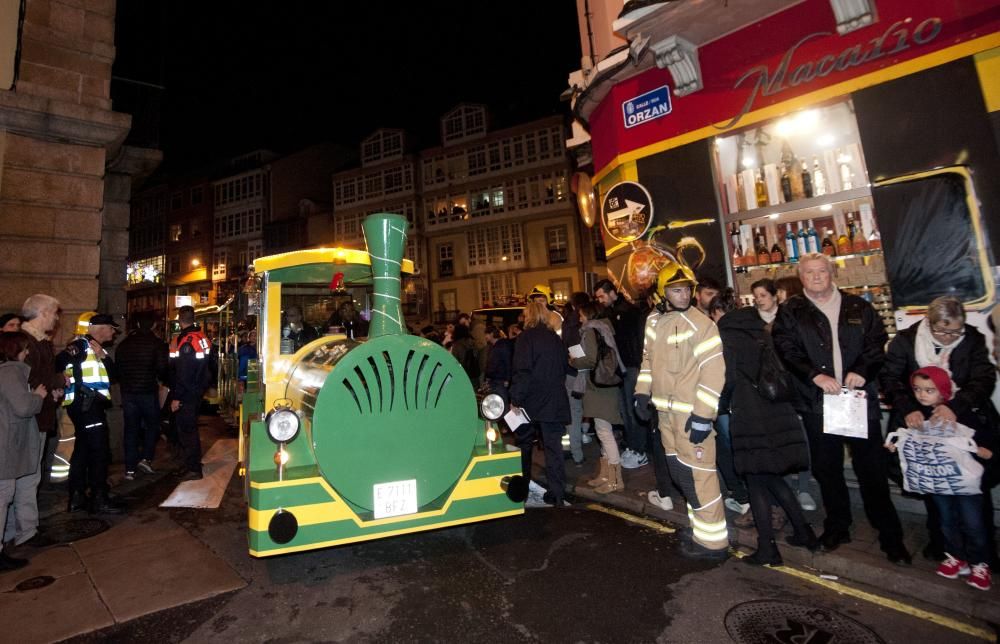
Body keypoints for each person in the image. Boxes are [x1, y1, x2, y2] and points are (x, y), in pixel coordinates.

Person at [772, 253, 909, 564]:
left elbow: (877, 343)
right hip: (817, 402)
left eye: (822, 271)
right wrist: (814, 374)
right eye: (810, 272)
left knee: (871, 470)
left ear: (832, 274)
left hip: (858, 401)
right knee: (827, 469)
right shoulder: (792, 310)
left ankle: (891, 535)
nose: (817, 277)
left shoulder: (858, 307)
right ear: (801, 277)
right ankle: (838, 526)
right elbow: (785, 348)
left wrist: (862, 368)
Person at [881, 295, 999, 564]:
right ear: (928, 322)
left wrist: (955, 405)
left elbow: (984, 378)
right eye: (941, 331)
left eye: (954, 331)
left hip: (965, 421)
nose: (948, 337)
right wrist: (907, 407)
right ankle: (945, 548)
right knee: (934, 484)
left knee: (973, 485)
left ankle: (983, 554)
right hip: (920, 423)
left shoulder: (972, 338)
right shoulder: (906, 341)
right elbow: (890, 378)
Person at [635, 261, 728, 559]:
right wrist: (641, 393)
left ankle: (713, 543)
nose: (684, 295)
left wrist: (703, 415)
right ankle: (699, 529)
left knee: (700, 476)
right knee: (681, 474)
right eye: (676, 290)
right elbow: (647, 361)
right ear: (663, 292)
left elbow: (714, 372)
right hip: (665, 417)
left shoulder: (702, 324)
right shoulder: (653, 322)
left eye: (687, 289)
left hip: (691, 418)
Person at [718, 303, 818, 566]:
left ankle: (767, 548)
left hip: (750, 416)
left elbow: (726, 380)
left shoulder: (728, 338)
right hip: (777, 412)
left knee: (755, 481)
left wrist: (718, 407)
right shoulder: (763, 334)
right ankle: (804, 532)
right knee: (772, 477)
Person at [886, 366, 995, 590]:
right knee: (946, 520)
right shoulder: (917, 415)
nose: (922, 395)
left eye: (929, 390)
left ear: (943, 391)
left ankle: (980, 563)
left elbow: (983, 437)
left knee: (973, 523)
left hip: (964, 482)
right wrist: (895, 446)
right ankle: (957, 557)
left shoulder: (960, 413)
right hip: (938, 481)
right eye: (917, 389)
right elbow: (906, 437)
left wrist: (985, 451)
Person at [5, 295, 64, 548]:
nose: (56, 318)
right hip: (28, 421)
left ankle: (22, 530)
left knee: (26, 477)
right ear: (41, 313)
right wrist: (57, 383)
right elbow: (23, 385)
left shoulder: (39, 342)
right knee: (25, 477)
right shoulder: (25, 344)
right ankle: (24, 532)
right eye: (53, 313)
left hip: (37, 417)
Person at [754, 278, 817, 512]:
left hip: (794, 388)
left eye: (763, 295)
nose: (759, 300)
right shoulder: (753, 323)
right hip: (770, 390)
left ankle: (803, 487)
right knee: (780, 440)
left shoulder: (790, 320)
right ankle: (788, 486)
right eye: (756, 296)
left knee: (801, 439)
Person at [57, 313, 124, 515]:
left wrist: (103, 357)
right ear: (99, 327)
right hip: (87, 407)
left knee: (83, 450)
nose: (113, 332)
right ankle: (99, 498)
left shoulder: (95, 348)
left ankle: (77, 497)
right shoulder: (81, 345)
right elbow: (59, 361)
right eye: (111, 328)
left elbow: (113, 376)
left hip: (87, 407)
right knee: (99, 452)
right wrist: (60, 378)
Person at [510, 300, 570, 507]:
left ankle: (522, 490)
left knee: (524, 446)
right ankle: (557, 493)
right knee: (554, 449)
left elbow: (522, 371)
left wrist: (515, 399)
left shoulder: (525, 339)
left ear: (528, 316)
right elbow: (564, 366)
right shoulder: (554, 338)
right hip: (554, 401)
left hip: (531, 401)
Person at [0, 332, 47, 571]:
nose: (28, 353)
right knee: (3, 495)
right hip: (5, 446)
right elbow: (22, 406)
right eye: (25, 348)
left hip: (7, 442)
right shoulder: (10, 372)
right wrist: (37, 397)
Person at [705, 289, 752, 519]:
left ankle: (741, 495)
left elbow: (725, 374)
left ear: (718, 312)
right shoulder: (752, 328)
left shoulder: (721, 335)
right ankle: (753, 494)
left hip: (727, 401)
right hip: (749, 400)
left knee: (726, 447)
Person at [571, 302, 625, 493]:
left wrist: (574, 360)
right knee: (603, 429)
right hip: (604, 384)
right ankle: (606, 474)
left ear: (587, 314)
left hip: (598, 386)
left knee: (604, 431)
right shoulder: (604, 327)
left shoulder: (591, 330)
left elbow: (590, 359)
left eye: (581, 314)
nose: (579, 318)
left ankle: (616, 479)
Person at [594, 279, 646, 470]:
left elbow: (635, 341)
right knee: (626, 411)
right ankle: (633, 447)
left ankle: (639, 451)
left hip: (631, 367)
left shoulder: (628, 312)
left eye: (601, 295)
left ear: (611, 292)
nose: (600, 300)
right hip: (622, 369)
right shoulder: (612, 312)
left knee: (632, 411)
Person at [115, 312, 168, 481]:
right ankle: (146, 458)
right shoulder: (157, 344)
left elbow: (118, 370)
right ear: (153, 325)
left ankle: (129, 468)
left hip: (128, 393)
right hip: (147, 391)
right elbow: (162, 368)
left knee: (131, 428)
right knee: (152, 425)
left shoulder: (123, 344)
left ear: (137, 325)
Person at [169, 305, 212, 481]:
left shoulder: (186, 342)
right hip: (197, 390)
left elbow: (184, 373)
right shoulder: (202, 338)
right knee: (190, 429)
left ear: (180, 320)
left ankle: (193, 469)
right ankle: (191, 464)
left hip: (187, 392)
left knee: (186, 431)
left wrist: (177, 397)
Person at [561, 292, 592, 465]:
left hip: (573, 373)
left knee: (574, 412)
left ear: (573, 305)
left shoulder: (568, 323)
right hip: (590, 372)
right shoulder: (590, 320)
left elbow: (569, 346)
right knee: (593, 412)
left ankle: (576, 453)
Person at [484, 326, 513, 405]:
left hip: (500, 380)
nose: (485, 336)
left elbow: (507, 362)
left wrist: (507, 379)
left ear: (492, 334)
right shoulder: (495, 346)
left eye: (487, 334)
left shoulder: (502, 346)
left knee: (501, 402)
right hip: (495, 379)